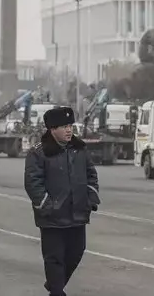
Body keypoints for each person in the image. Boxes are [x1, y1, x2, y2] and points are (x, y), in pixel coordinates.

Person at [24, 107, 100, 296]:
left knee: (76, 252)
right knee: (54, 259)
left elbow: (91, 175)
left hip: (78, 214)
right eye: (64, 126)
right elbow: (33, 183)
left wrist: (90, 198)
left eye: (70, 126)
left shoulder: (79, 149)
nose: (69, 130)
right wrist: (46, 205)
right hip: (52, 218)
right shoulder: (39, 153)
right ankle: (57, 291)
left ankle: (54, 285)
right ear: (52, 129)